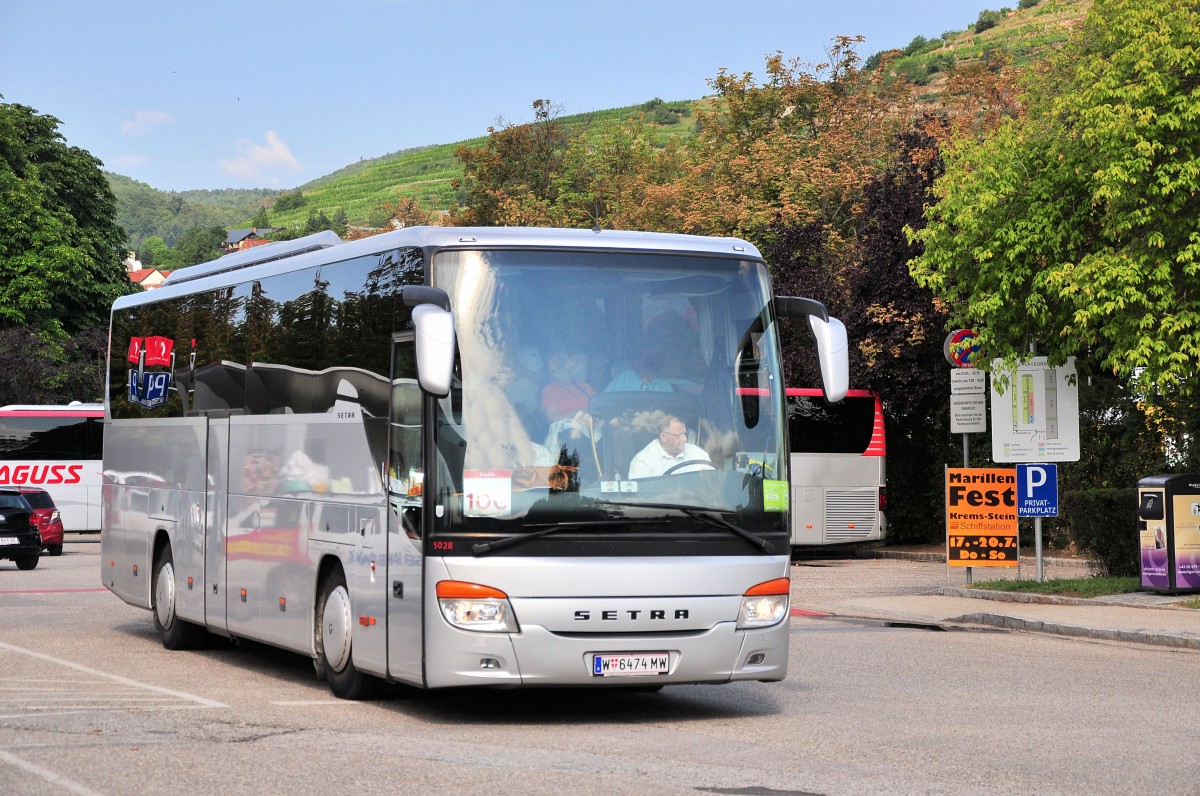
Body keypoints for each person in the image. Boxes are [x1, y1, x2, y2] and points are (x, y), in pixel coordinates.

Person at [627, 415, 712, 478]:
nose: (685, 439)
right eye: (679, 436)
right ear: (663, 437)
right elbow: (640, 498)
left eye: (685, 434)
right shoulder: (643, 461)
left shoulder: (699, 455)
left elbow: (711, 485)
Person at [540, 351, 595, 423]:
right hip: (567, 430)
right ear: (554, 373)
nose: (566, 372)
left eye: (568, 369)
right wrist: (582, 412)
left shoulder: (583, 386)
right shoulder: (548, 391)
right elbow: (553, 420)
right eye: (561, 369)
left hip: (592, 426)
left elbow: (599, 405)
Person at [604, 348, 674, 393]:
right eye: (645, 358)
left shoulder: (665, 388)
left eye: (651, 359)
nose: (648, 362)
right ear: (636, 361)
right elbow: (603, 402)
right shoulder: (625, 378)